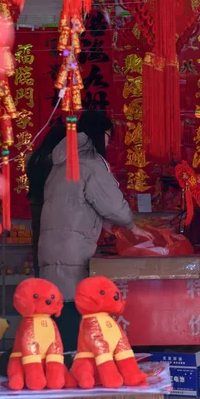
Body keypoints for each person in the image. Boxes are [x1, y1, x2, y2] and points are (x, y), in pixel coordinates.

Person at [38, 110, 152, 353]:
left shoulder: (61, 160)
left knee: (58, 306)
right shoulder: (89, 161)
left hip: (54, 244)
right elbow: (111, 203)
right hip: (72, 247)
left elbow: (76, 203)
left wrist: (108, 226)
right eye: (109, 136)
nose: (109, 142)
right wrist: (130, 224)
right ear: (100, 134)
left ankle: (59, 363)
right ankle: (71, 370)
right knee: (72, 308)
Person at [27, 123, 67, 278]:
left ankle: (40, 283)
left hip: (36, 207)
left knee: (40, 248)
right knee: (58, 253)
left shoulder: (33, 158)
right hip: (56, 210)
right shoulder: (60, 161)